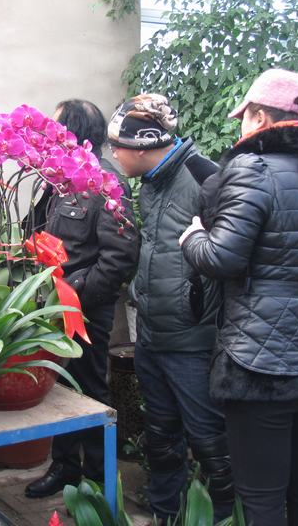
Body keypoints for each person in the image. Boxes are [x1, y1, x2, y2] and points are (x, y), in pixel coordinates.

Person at [179, 68, 298, 526]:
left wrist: (192, 237)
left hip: (261, 363)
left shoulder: (253, 168)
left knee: (260, 498)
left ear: (258, 116)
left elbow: (221, 258)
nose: (241, 125)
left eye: (244, 116)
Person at [107, 94, 233, 523]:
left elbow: (233, 258)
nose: (114, 154)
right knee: (160, 438)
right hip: (152, 336)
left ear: (142, 146)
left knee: (210, 442)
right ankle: (167, 514)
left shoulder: (206, 178)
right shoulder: (151, 183)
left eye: (118, 146)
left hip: (193, 342)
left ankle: (223, 516)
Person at [23, 99, 139, 498]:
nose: (48, 134)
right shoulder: (57, 178)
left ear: (72, 132)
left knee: (88, 389)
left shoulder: (104, 184)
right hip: (52, 304)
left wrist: (77, 295)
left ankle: (98, 479)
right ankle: (65, 467)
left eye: (55, 127)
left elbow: (119, 256)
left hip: (85, 308)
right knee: (58, 386)